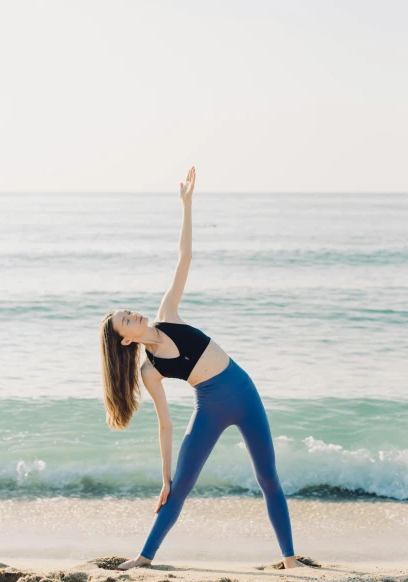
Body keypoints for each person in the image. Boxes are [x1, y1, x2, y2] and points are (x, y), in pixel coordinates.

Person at [99, 166, 306, 570]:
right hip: (209, 407)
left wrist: (187, 204)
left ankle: (290, 560)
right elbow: (165, 425)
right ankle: (143, 558)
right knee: (179, 488)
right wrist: (163, 476)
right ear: (125, 340)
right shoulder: (149, 371)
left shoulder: (167, 314)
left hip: (244, 392)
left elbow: (185, 257)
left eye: (129, 312)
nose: (134, 315)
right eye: (127, 320)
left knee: (268, 479)